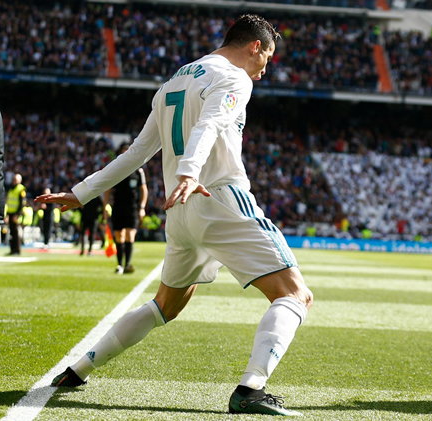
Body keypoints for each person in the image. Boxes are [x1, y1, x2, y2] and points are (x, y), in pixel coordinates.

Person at [35, 14, 313, 416]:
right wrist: (188, 171)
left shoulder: (173, 82)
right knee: (295, 294)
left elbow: (137, 152)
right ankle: (250, 390)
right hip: (217, 196)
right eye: (266, 57)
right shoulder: (235, 76)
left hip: (181, 211)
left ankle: (79, 368)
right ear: (254, 46)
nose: (265, 68)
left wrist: (81, 194)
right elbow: (212, 123)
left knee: (166, 305)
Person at [103, 144, 148, 273]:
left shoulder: (138, 171)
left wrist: (142, 207)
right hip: (118, 206)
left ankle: (127, 264)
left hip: (133, 207)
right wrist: (105, 206)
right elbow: (108, 189)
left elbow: (144, 189)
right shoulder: (116, 170)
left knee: (130, 235)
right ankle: (119, 265)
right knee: (119, 236)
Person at [6, 173, 26, 255]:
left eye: (16, 179)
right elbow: (9, 202)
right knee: (11, 232)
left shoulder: (21, 189)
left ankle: (17, 250)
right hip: (10, 212)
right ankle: (12, 249)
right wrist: (7, 214)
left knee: (16, 232)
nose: (14, 181)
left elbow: (22, 203)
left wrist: (17, 214)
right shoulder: (11, 189)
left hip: (16, 214)